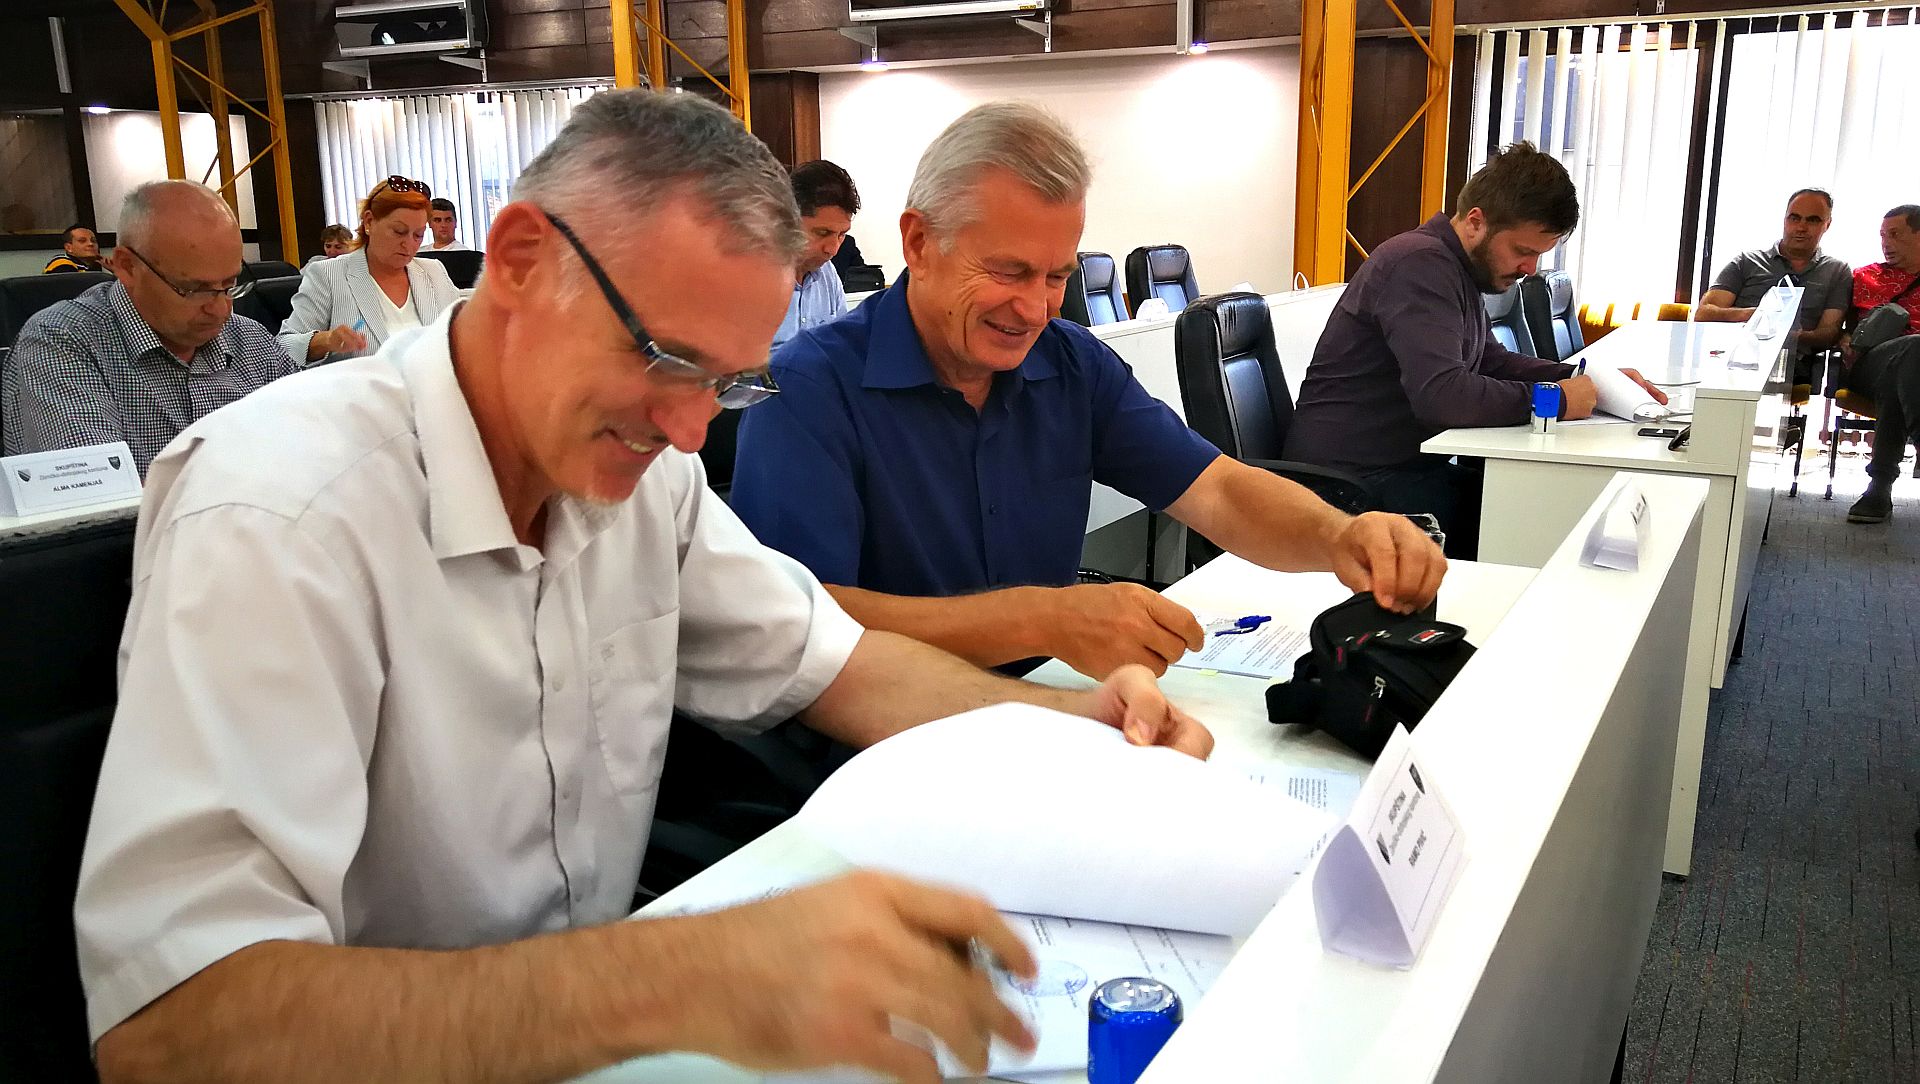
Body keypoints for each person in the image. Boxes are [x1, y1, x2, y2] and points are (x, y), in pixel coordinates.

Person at [74, 90, 1210, 1084]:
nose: (690, 428)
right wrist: (675, 978)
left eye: (729, 383)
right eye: (666, 359)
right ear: (521, 260)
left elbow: (837, 663)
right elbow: (171, 1031)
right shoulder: (279, 514)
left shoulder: (641, 477)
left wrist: (1074, 723)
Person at [730, 103, 1446, 682]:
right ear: (918, 243)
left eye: (1056, 277)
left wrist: (1339, 535)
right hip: (875, 753)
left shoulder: (1070, 364)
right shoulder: (808, 388)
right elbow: (802, 622)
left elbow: (1219, 491)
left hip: (1047, 713)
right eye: (1009, 271)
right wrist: (1042, 620)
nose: (1035, 309)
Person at [1283, 141, 1664, 556]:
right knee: (1536, 520)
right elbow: (1443, 396)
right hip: (1346, 489)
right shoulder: (1419, 264)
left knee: (1538, 506)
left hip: (1395, 471)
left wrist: (1590, 381)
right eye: (1523, 251)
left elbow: (1490, 361)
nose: (1530, 269)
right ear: (1476, 222)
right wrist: (1553, 399)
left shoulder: (1453, 268)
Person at [0, 182, 299, 475]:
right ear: (127, 267)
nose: (221, 309)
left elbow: (310, 447)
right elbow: (100, 499)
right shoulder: (60, 344)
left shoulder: (250, 338)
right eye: (194, 289)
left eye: (230, 285)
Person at [277, 176, 461, 364]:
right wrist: (326, 340)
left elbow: (463, 334)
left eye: (418, 235)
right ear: (369, 221)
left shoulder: (433, 272)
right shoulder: (329, 275)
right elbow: (283, 346)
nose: (408, 244)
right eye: (399, 231)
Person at [1696, 188, 1851, 390]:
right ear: (1785, 220)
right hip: (1730, 353)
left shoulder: (1836, 271)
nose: (1801, 227)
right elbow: (1704, 313)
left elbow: (1828, 332)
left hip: (1791, 361)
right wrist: (1756, 316)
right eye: (1794, 218)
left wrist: (1791, 334)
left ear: (1827, 224)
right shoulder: (1747, 261)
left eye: (1812, 220)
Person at [1839, 204, 1920, 525]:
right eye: (1882, 235)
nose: (1886, 243)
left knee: (1902, 374)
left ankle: (1879, 488)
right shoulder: (1864, 276)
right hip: (1868, 364)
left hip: (1903, 377)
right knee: (1913, 350)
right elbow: (1839, 325)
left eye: (1895, 234)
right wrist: (1844, 338)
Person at [772, 160, 855, 351]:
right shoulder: (747, 277)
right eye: (822, 233)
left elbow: (841, 348)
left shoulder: (828, 274)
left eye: (841, 235)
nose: (833, 250)